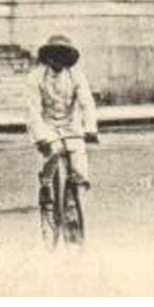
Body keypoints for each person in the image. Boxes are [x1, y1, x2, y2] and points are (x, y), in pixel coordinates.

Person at [27, 34, 99, 210]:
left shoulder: (76, 76)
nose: (58, 59)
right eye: (54, 54)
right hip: (47, 124)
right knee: (54, 151)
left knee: (80, 167)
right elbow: (32, 109)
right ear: (48, 57)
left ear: (68, 58)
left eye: (62, 55)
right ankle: (45, 184)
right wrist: (40, 137)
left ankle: (75, 205)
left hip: (71, 124)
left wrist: (90, 128)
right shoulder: (35, 77)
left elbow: (86, 103)